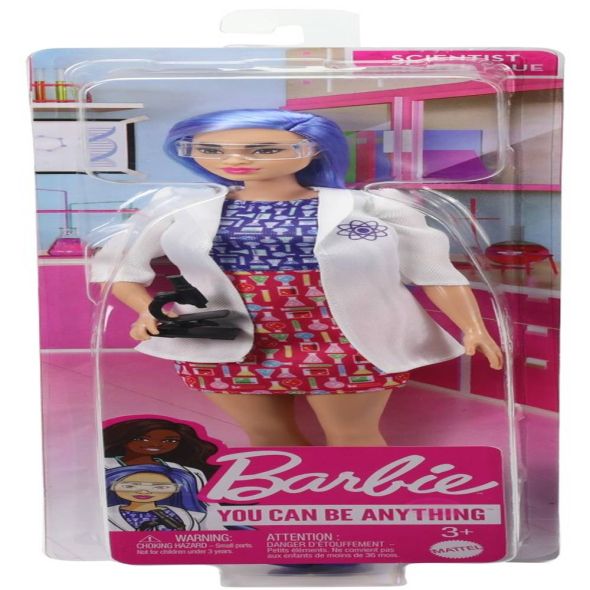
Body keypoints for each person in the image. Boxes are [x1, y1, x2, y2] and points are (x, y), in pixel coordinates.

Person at [90, 108, 503, 448]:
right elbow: (120, 267)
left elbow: (432, 269)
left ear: (313, 148)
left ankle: (364, 510)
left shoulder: (374, 206)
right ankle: (288, 509)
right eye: (210, 149)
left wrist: (473, 326)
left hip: (343, 338)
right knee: (269, 438)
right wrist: (148, 311)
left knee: (354, 437)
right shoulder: (179, 206)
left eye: (265, 149)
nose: (236, 160)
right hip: (224, 335)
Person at [103, 418, 219, 490]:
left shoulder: (188, 472)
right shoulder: (104, 466)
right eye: (143, 439)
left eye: (170, 441)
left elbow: (201, 506)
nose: (156, 444)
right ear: (124, 438)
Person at [106, 465, 225, 531]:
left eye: (159, 487)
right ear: (113, 486)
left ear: (176, 489)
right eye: (130, 486)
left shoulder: (186, 515)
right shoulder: (107, 514)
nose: (144, 491)